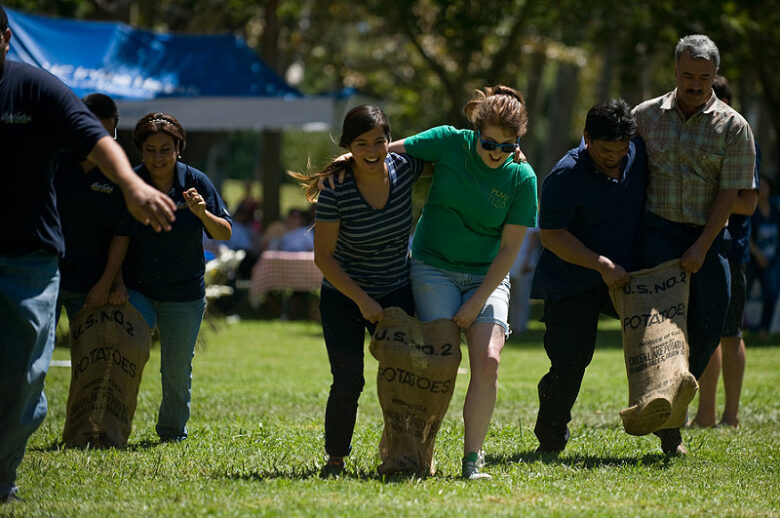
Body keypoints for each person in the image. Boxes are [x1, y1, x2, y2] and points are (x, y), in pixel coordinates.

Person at [0, 6, 175, 504]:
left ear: (6, 38)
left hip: (28, 261)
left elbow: (96, 139)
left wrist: (131, 187)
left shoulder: (35, 88)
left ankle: (2, 474)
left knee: (23, 379)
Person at [387, 86, 537, 479]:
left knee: (488, 360)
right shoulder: (448, 143)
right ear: (475, 131)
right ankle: (416, 453)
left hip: (486, 277)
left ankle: (473, 460)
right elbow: (386, 150)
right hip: (433, 266)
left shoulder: (523, 178)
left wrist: (476, 303)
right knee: (440, 359)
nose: (497, 153)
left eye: (508, 146)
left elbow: (509, 252)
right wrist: (349, 156)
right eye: (490, 143)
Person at [632, 35, 757, 454]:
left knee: (709, 323)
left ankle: (675, 401)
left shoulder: (734, 126)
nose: (695, 85)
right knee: (662, 330)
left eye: (704, 78)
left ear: (714, 77)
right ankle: (670, 424)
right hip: (657, 233)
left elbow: (730, 196)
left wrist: (704, 245)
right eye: (687, 75)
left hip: (709, 234)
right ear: (675, 72)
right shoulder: (644, 117)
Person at [291, 105, 424, 477]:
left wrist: (514, 151)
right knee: (349, 379)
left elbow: (451, 152)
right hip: (344, 295)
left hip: (397, 289)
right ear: (348, 146)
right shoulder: (336, 189)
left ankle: (405, 455)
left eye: (379, 142)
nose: (371, 151)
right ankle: (336, 457)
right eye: (361, 144)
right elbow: (324, 258)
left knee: (405, 377)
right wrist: (363, 300)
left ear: (389, 142)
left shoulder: (405, 169)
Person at [531, 99, 647, 454]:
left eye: (621, 149)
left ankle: (668, 432)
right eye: (606, 150)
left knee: (658, 343)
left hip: (626, 275)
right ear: (587, 138)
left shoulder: (638, 156)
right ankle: (550, 440)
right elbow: (551, 235)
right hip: (571, 279)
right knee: (570, 361)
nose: (615, 157)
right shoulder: (565, 175)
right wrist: (600, 264)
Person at [118, 112, 232, 443]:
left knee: (176, 370)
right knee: (126, 357)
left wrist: (201, 212)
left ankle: (172, 432)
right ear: (140, 151)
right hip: (136, 289)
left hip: (184, 292)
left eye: (165, 149)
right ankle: (114, 427)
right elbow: (118, 235)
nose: (158, 157)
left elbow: (224, 232)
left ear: (178, 148)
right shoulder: (131, 183)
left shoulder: (196, 181)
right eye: (150, 149)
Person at [690, 75, 759, 428]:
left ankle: (729, 415)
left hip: (733, 253)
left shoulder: (740, 137)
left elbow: (749, 202)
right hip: (704, 248)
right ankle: (705, 413)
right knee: (704, 332)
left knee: (730, 334)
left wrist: (718, 201)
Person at [54, 93, 129, 322]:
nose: (101, 143)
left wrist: (108, 283)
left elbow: (121, 233)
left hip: (93, 284)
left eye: (107, 136)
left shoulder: (119, 174)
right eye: (93, 134)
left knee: (93, 358)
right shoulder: (51, 161)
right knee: (34, 355)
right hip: (47, 279)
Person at [747, 176, 779, 338]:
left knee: (771, 293)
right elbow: (747, 236)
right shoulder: (751, 210)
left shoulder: (776, 209)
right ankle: (737, 327)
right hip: (753, 259)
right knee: (744, 293)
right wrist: (758, 255)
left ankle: (764, 330)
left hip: (772, 260)